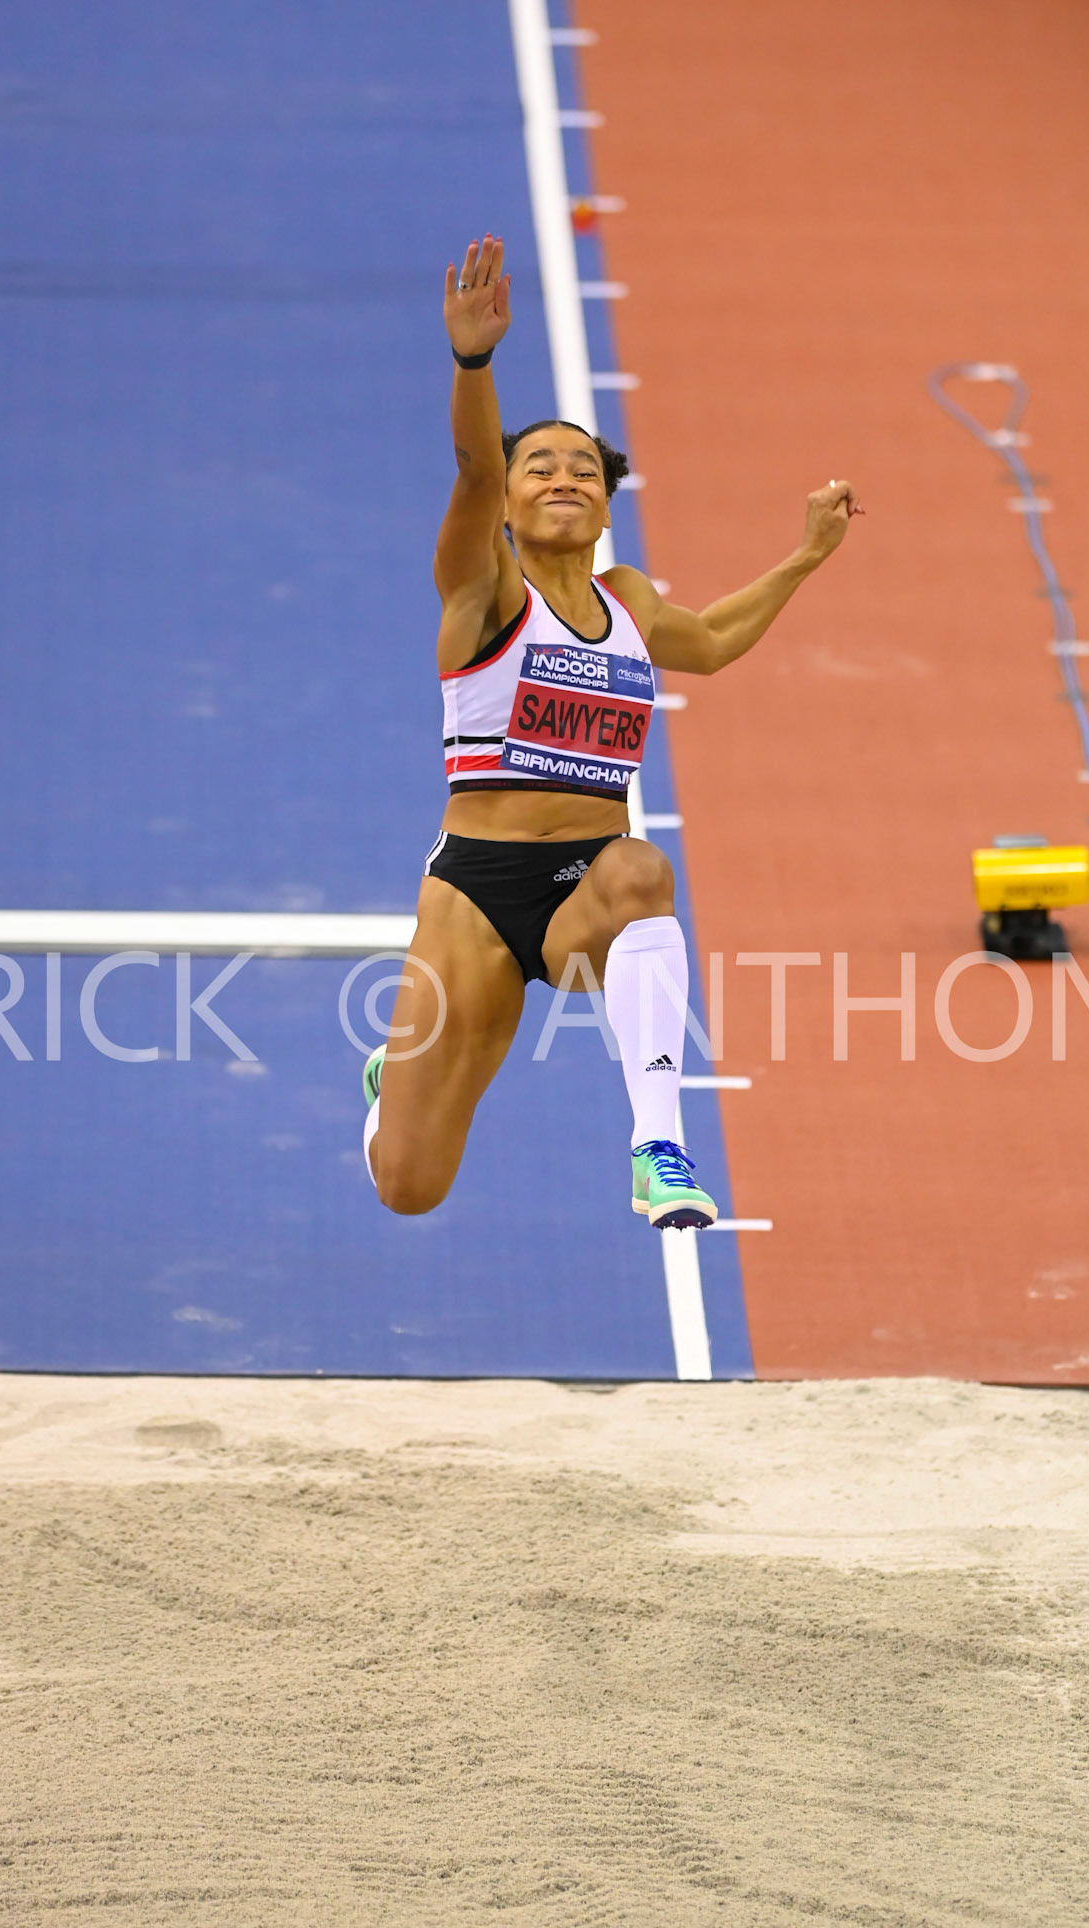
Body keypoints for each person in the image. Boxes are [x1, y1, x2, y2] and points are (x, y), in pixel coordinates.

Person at [362, 232, 862, 1226]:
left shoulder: (626, 599)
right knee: (411, 1188)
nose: (562, 476)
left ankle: (659, 1147)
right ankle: (390, 1075)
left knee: (642, 868)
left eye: (583, 468)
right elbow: (470, 467)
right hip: (477, 891)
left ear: (604, 504)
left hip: (588, 890)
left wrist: (806, 556)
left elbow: (713, 638)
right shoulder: (483, 591)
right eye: (538, 465)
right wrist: (474, 360)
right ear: (505, 502)